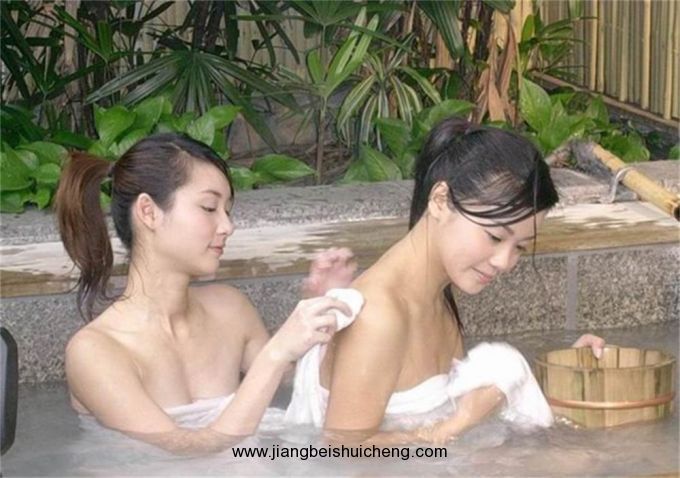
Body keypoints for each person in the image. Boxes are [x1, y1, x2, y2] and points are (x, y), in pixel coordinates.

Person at [286, 117, 605, 445]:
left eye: (519, 247)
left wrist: (554, 379)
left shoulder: (436, 298)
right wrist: (456, 424)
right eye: (495, 237)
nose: (504, 262)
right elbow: (342, 454)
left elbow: (449, 410)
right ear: (440, 200)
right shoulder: (379, 317)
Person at [55, 133, 352, 455]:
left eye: (227, 211)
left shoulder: (231, 309)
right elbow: (185, 452)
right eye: (209, 207)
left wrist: (328, 320)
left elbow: (310, 399)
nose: (227, 226)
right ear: (149, 212)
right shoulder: (95, 351)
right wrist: (276, 352)